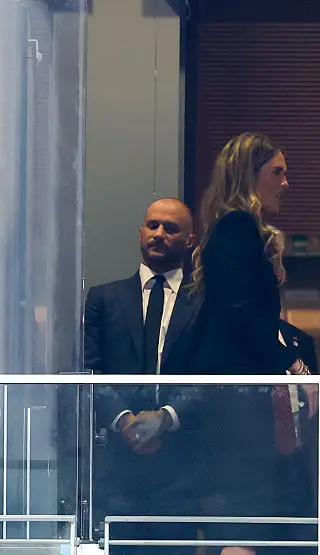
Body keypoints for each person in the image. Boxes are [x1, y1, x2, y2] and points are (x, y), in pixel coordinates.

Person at [180, 132, 311, 555]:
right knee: (242, 516)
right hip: (236, 402)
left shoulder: (234, 228)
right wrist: (291, 365)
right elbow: (239, 312)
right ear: (250, 174)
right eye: (278, 172)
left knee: (248, 518)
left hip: (239, 401)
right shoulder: (237, 226)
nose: (286, 183)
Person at [83, 198, 202, 554]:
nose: (160, 234)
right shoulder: (103, 298)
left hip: (182, 463)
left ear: (190, 240)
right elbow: (89, 369)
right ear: (140, 233)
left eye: (171, 228)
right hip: (116, 463)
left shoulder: (205, 301)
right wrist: (125, 421)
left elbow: (214, 372)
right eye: (153, 226)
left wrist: (166, 418)